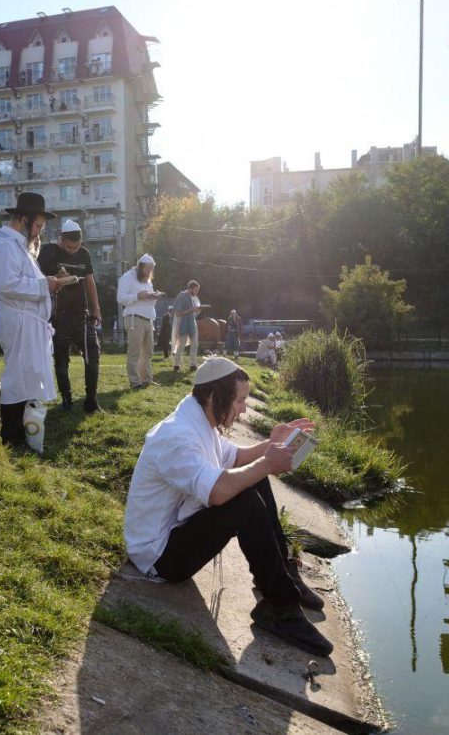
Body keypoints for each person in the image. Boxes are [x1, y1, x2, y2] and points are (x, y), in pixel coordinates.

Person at [123, 357, 333, 657]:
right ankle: (280, 609)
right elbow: (219, 493)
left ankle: (283, 578)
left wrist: (271, 445)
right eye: (239, 400)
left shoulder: (199, 419)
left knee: (254, 478)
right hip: (159, 556)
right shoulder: (177, 437)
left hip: (178, 531)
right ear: (212, 395)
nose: (244, 408)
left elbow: (235, 458)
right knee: (244, 498)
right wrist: (267, 463)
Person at [0, 192, 67, 450]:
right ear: (23, 219)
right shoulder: (4, 246)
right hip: (18, 321)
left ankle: (25, 433)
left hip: (29, 322)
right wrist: (46, 285)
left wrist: (49, 283)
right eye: (38, 226)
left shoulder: (20, 247)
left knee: (28, 377)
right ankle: (11, 438)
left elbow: (27, 281)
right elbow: (7, 284)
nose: (39, 232)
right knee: (17, 378)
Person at [38, 219, 103, 412]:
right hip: (58, 314)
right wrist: (56, 277)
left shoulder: (84, 254)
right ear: (61, 239)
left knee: (93, 352)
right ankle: (66, 400)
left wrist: (96, 309)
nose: (73, 251)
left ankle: (91, 400)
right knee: (61, 359)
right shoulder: (48, 252)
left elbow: (90, 282)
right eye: (68, 247)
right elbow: (37, 278)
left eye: (76, 247)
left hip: (80, 314)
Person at [118, 253, 162, 389]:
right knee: (135, 352)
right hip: (134, 318)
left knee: (148, 352)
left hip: (148, 318)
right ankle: (135, 382)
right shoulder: (127, 278)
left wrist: (155, 296)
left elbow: (148, 301)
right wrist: (138, 296)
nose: (150, 272)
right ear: (140, 267)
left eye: (151, 269)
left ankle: (147, 379)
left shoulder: (148, 280)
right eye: (147, 269)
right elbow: (120, 298)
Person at [172, 280, 207, 372]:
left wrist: (199, 310)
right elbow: (178, 313)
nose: (196, 292)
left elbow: (194, 314)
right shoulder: (181, 296)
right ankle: (176, 365)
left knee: (195, 344)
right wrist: (192, 310)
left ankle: (193, 365)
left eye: (197, 290)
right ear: (190, 288)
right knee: (181, 345)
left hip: (192, 324)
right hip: (182, 324)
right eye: (195, 290)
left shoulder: (195, 298)